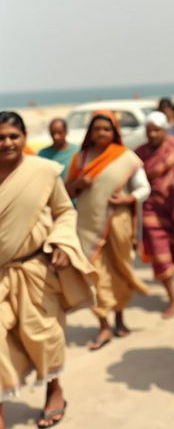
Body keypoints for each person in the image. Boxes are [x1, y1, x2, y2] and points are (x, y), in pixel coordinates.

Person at [0, 112, 96, 429]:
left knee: (43, 335)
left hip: (35, 270)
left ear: (24, 137)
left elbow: (64, 212)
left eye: (13, 136)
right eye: (0, 137)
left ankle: (54, 390)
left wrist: (60, 243)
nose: (7, 142)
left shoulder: (42, 172)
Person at [65, 111, 150, 350]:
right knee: (93, 273)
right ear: (90, 133)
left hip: (118, 223)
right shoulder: (80, 159)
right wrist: (79, 184)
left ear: (114, 132)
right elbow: (66, 192)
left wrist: (127, 199)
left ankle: (120, 318)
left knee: (120, 269)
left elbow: (144, 188)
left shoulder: (126, 158)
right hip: (88, 224)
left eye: (106, 129)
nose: (101, 133)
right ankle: (103, 324)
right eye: (97, 129)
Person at [135, 112, 174, 318]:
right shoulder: (139, 153)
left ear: (164, 129)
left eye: (156, 129)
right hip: (152, 208)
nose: (151, 134)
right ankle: (172, 298)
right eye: (148, 130)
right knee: (159, 255)